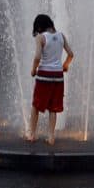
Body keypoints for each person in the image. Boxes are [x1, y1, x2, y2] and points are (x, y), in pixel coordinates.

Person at [27, 14, 74, 145]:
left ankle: (31, 134)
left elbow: (37, 57)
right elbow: (71, 54)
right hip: (58, 76)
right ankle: (51, 137)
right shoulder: (61, 36)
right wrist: (64, 66)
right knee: (53, 108)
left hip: (44, 76)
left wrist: (33, 70)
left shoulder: (41, 37)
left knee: (36, 105)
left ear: (39, 27)